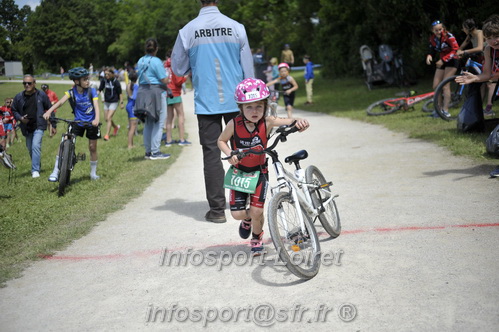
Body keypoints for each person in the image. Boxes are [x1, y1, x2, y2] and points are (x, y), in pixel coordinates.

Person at [171, 0, 254, 223]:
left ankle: (217, 211)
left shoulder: (187, 30)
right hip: (237, 99)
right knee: (242, 149)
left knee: (211, 153)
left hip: (207, 101)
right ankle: (243, 202)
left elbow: (178, 68)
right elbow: (248, 70)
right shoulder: (236, 27)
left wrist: (194, 64)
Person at [218, 78, 309, 253]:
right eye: (249, 107)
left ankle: (256, 237)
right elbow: (221, 141)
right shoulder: (233, 124)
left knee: (257, 211)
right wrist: (229, 153)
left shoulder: (267, 121)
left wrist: (300, 122)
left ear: (265, 106)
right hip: (239, 173)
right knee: (237, 214)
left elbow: (290, 120)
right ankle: (248, 218)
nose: (254, 111)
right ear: (241, 108)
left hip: (260, 173)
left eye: (259, 106)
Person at [455, 14, 499, 177]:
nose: (493, 41)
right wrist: (475, 78)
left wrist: (491, 77)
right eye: (489, 38)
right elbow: (487, 74)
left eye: (497, 36)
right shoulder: (489, 50)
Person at [43, 67, 101, 181]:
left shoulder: (91, 91)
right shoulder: (71, 92)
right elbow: (60, 102)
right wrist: (49, 111)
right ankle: (55, 170)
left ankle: (93, 173)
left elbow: (96, 106)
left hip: (91, 122)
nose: (87, 81)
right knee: (64, 141)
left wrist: (97, 119)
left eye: (87, 79)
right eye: (84, 79)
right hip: (78, 122)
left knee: (92, 147)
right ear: (76, 81)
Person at [11, 75, 56, 178]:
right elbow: (14, 110)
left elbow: (50, 108)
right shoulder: (19, 97)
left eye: (29, 83)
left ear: (34, 83)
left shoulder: (41, 95)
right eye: (25, 83)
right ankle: (37, 165)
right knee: (30, 148)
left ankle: (35, 170)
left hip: (39, 125)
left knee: (36, 146)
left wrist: (53, 124)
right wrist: (21, 118)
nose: (27, 85)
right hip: (26, 127)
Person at [135, 38, 171, 160]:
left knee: (149, 122)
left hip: (143, 92)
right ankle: (156, 152)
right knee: (159, 122)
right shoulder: (156, 61)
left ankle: (148, 151)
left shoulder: (140, 60)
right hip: (155, 92)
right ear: (156, 49)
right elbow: (164, 79)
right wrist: (169, 77)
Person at [426, 20, 460, 118]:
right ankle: (438, 110)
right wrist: (429, 55)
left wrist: (444, 60)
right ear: (433, 31)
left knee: (445, 85)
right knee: (436, 86)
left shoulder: (449, 36)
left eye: (440, 29)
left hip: (452, 60)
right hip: (443, 61)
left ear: (443, 28)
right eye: (436, 30)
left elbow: (456, 50)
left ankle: (446, 111)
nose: (439, 32)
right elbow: (431, 49)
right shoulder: (432, 38)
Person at [164, 57, 190, 146]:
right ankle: (182, 139)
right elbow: (178, 81)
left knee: (169, 118)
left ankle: (168, 140)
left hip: (167, 93)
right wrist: (185, 77)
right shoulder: (175, 66)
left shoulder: (165, 66)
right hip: (175, 93)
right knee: (180, 115)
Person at [98, 68, 123, 141]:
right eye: (105, 74)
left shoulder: (116, 82)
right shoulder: (104, 81)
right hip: (106, 101)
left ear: (112, 74)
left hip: (114, 101)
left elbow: (120, 93)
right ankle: (115, 127)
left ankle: (107, 135)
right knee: (106, 119)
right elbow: (100, 89)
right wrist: (95, 95)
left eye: (108, 74)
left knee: (109, 118)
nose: (106, 75)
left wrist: (121, 103)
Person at [126, 71, 139, 149]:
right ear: (137, 78)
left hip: (128, 105)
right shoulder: (136, 86)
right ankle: (130, 145)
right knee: (133, 127)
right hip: (133, 106)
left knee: (131, 126)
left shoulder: (128, 85)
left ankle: (131, 143)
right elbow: (134, 97)